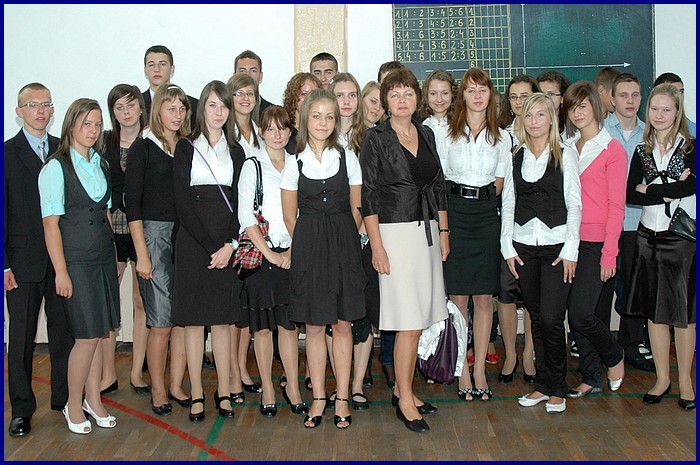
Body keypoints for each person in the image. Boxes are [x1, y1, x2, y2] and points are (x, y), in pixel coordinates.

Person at [360, 68, 449, 433]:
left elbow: (438, 185)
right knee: (408, 324)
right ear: (385, 101)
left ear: (417, 98)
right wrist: (377, 247)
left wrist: (443, 231)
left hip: (426, 232)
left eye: (408, 93)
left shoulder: (426, 133)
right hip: (394, 235)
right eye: (394, 94)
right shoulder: (375, 138)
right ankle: (405, 400)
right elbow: (368, 196)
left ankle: (403, 389)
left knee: (419, 319)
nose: (402, 100)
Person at [281, 88, 366, 430]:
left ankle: (341, 397)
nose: (323, 122)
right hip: (310, 250)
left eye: (329, 116)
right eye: (316, 116)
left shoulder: (348, 157)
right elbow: (290, 217)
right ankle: (318, 397)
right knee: (315, 326)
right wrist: (311, 245)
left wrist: (344, 239)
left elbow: (358, 208)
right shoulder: (294, 162)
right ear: (305, 119)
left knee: (343, 323)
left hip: (345, 246)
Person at [39, 98, 120, 434]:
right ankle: (72, 405)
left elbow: (104, 215)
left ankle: (94, 400)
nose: (93, 130)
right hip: (76, 262)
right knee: (86, 336)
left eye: (98, 124)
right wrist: (61, 271)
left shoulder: (101, 164)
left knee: (100, 333)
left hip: (102, 258)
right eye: (86, 123)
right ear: (71, 124)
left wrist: (112, 257)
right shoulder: (56, 168)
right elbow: (50, 225)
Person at [503, 93, 582, 414]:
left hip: (557, 248)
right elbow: (509, 201)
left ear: (551, 119)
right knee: (536, 318)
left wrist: (571, 249)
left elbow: (574, 204)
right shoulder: (516, 155)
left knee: (551, 318)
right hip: (523, 247)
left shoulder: (565, 154)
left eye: (540, 114)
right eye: (529, 115)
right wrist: (507, 246)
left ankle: (558, 387)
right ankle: (543, 384)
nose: (534, 121)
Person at [171, 80, 246, 422]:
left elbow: (241, 203)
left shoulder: (237, 151)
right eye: (213, 105)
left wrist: (229, 245)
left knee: (222, 320)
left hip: (226, 242)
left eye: (224, 106)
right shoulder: (185, 147)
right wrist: (211, 246)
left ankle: (225, 391)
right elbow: (182, 203)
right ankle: (198, 393)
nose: (219, 112)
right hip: (193, 242)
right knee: (193, 321)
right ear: (202, 108)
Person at [5, 83, 73, 437]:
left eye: (46, 104)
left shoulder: (64, 150)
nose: (41, 111)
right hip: (21, 263)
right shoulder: (6, 153)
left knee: (64, 334)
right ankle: (21, 409)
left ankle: (64, 400)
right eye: (33, 105)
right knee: (21, 339)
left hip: (60, 259)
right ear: (20, 112)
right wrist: (4, 265)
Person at [625, 83, 696, 410]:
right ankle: (662, 379)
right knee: (654, 313)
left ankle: (686, 382)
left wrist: (650, 189)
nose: (660, 115)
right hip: (647, 237)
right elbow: (630, 194)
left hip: (679, 239)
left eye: (667, 109)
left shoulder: (690, 147)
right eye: (655, 109)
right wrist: (666, 191)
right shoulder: (643, 150)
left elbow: (690, 188)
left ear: (677, 112)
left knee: (683, 314)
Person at [125, 84, 191, 416]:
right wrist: (142, 254)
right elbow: (132, 205)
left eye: (181, 108)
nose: (177, 114)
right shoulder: (143, 147)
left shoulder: (188, 147)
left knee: (181, 321)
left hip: (185, 239)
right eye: (170, 108)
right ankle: (158, 390)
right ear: (157, 110)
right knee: (161, 322)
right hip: (153, 238)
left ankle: (176, 385)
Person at [237, 105, 308, 417]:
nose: (277, 134)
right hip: (262, 256)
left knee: (289, 327)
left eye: (282, 128)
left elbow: (304, 212)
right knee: (263, 329)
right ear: (262, 132)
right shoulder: (252, 165)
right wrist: (270, 254)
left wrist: (291, 252)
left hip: (292, 254)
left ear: (290, 132)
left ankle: (292, 386)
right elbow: (245, 215)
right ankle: (267, 386)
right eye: (270, 129)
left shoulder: (298, 164)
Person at [445, 68, 511, 401]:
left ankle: (480, 368)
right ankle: (462, 369)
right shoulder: (445, 134)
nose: (477, 96)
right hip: (455, 214)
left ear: (491, 95)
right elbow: (440, 182)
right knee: (458, 299)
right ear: (462, 97)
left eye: (482, 90)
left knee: (484, 298)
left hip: (485, 215)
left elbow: (500, 186)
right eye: (470, 90)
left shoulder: (503, 137)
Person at [563, 81, 626, 398]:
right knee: (579, 315)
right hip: (569, 240)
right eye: (571, 108)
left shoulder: (611, 149)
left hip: (597, 242)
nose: (577, 113)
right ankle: (590, 376)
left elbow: (617, 206)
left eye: (583, 106)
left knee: (582, 313)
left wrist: (609, 252)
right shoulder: (567, 146)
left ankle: (614, 356)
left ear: (596, 107)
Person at [100, 84, 150, 397]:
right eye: (119, 107)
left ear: (141, 108)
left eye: (131, 105)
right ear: (113, 113)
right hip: (112, 229)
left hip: (143, 230)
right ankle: (107, 374)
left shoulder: (151, 141)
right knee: (108, 303)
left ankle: (136, 372)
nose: (126, 112)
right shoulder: (103, 141)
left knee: (141, 302)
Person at [327, 72, 374, 410]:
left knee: (361, 312)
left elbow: (370, 191)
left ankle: (357, 385)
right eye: (339, 95)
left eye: (351, 95)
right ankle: (339, 383)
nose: (346, 101)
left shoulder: (371, 137)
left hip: (362, 234)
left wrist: (356, 230)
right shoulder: (319, 135)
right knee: (334, 315)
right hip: (329, 236)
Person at [603, 73, 654, 372]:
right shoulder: (599, 132)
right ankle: (600, 348)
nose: (630, 101)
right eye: (623, 95)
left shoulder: (650, 135)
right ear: (612, 99)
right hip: (604, 224)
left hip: (637, 222)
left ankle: (632, 344)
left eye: (635, 95)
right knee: (602, 286)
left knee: (635, 287)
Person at [227, 72, 265, 397]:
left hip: (255, 228)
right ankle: (231, 373)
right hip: (232, 226)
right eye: (238, 93)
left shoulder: (259, 132)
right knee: (232, 308)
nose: (244, 99)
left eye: (249, 93)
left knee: (245, 309)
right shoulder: (223, 133)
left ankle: (240, 365)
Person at [141, 45, 198, 130]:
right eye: (151, 65)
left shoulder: (194, 105)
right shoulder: (136, 104)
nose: (156, 69)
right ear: (145, 70)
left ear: (172, 69)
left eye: (162, 64)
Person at [421, 69, 456, 170]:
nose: (439, 99)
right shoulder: (422, 127)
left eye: (445, 93)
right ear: (426, 96)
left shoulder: (462, 126)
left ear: (452, 94)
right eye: (433, 94)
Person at [282, 72, 323, 155]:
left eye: (314, 94)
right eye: (304, 94)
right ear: (293, 96)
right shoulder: (282, 129)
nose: (309, 99)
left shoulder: (323, 128)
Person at [653, 72, 697, 137]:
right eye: (673, 91)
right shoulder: (644, 131)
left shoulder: (694, 131)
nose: (679, 96)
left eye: (681, 92)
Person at [234, 49, 273, 117]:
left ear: (260, 76)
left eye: (253, 70)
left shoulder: (273, 113)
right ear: (234, 76)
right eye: (242, 71)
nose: (247, 75)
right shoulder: (224, 112)